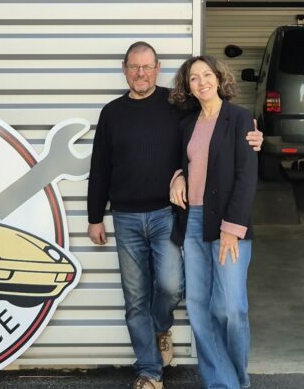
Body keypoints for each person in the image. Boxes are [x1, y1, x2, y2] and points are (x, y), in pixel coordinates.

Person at [87, 42, 261, 389]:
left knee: (205, 299)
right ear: (124, 69)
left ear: (158, 69)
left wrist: (256, 138)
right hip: (158, 218)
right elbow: (106, 165)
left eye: (147, 66)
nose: (141, 73)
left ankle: (231, 377)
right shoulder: (131, 114)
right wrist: (95, 216)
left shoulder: (204, 111)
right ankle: (178, 375)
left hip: (196, 219)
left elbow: (237, 161)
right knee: (169, 303)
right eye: (134, 67)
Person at [168, 56, 257, 389]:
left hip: (227, 222)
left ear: (219, 79)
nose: (202, 81)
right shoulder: (187, 124)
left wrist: (232, 228)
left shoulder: (239, 118)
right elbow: (182, 162)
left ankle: (238, 380)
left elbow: (247, 175)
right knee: (199, 307)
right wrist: (177, 177)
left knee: (231, 307)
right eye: (194, 78)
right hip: (193, 220)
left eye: (207, 75)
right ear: (188, 87)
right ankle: (223, 384)